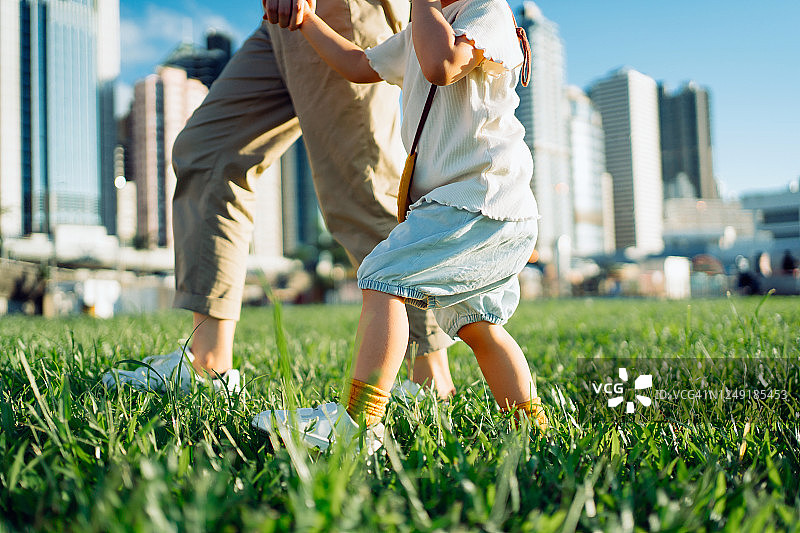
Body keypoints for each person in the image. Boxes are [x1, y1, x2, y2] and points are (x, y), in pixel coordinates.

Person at [101, 0, 456, 399]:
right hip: (277, 26)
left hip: (343, 8)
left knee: (363, 188)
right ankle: (209, 365)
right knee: (210, 153)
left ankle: (427, 377)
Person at [252, 0, 548, 449]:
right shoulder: (423, 27)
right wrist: (308, 19)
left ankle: (359, 425)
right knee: (477, 323)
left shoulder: (488, 11)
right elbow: (357, 64)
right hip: (470, 206)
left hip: (479, 201)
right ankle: (534, 432)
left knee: (380, 277)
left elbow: (443, 65)